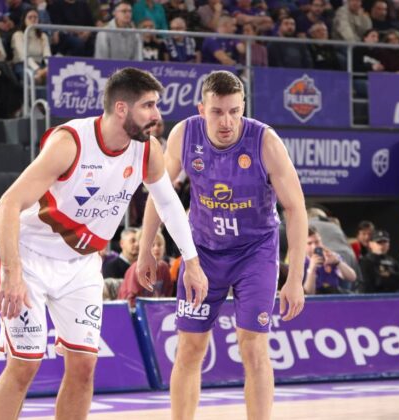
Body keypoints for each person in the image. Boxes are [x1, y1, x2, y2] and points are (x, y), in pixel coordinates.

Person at [0, 67, 207, 420]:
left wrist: (192, 262)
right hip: (30, 256)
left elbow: (168, 204)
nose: (157, 115)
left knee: (84, 366)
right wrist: (12, 274)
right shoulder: (70, 143)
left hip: (83, 263)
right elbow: (7, 205)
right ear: (121, 108)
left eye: (156, 105)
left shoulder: (148, 150)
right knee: (24, 365)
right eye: (148, 105)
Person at [136, 70, 306, 420]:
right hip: (202, 252)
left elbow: (296, 209)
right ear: (202, 110)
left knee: (253, 347)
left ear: (243, 108)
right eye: (217, 112)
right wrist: (145, 248)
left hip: (255, 252)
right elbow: (160, 193)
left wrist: (295, 278)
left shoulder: (266, 142)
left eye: (234, 111)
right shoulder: (184, 134)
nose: (227, 121)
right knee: (190, 347)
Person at [119, 229, 173, 307]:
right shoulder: (136, 269)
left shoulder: (164, 268)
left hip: (158, 310)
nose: (156, 248)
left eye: (159, 244)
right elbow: (130, 301)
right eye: (152, 245)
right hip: (132, 310)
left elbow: (168, 296)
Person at [304, 227, 357, 295]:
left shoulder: (331, 256)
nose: (314, 246)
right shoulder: (301, 263)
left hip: (334, 294)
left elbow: (352, 278)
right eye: (309, 243)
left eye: (317, 242)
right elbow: (309, 293)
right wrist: (311, 269)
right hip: (316, 297)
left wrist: (338, 262)